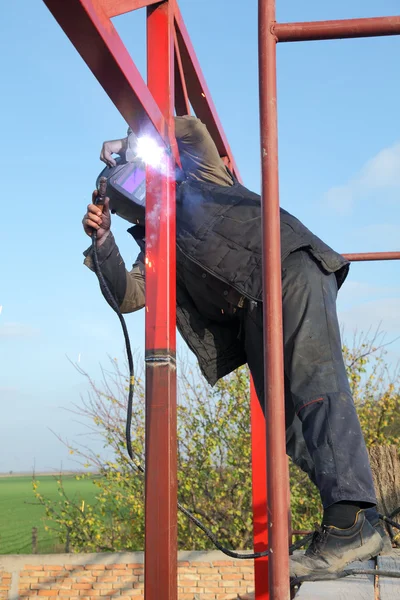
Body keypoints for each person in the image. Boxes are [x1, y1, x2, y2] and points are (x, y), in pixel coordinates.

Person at [82, 116, 386, 578]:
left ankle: (351, 520)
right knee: (286, 426)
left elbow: (187, 128)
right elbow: (129, 296)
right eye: (126, 191)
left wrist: (128, 142)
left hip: (287, 271)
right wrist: (103, 243)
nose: (138, 188)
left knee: (315, 388)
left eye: (135, 174)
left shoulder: (203, 178)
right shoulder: (155, 246)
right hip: (253, 314)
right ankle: (355, 518)